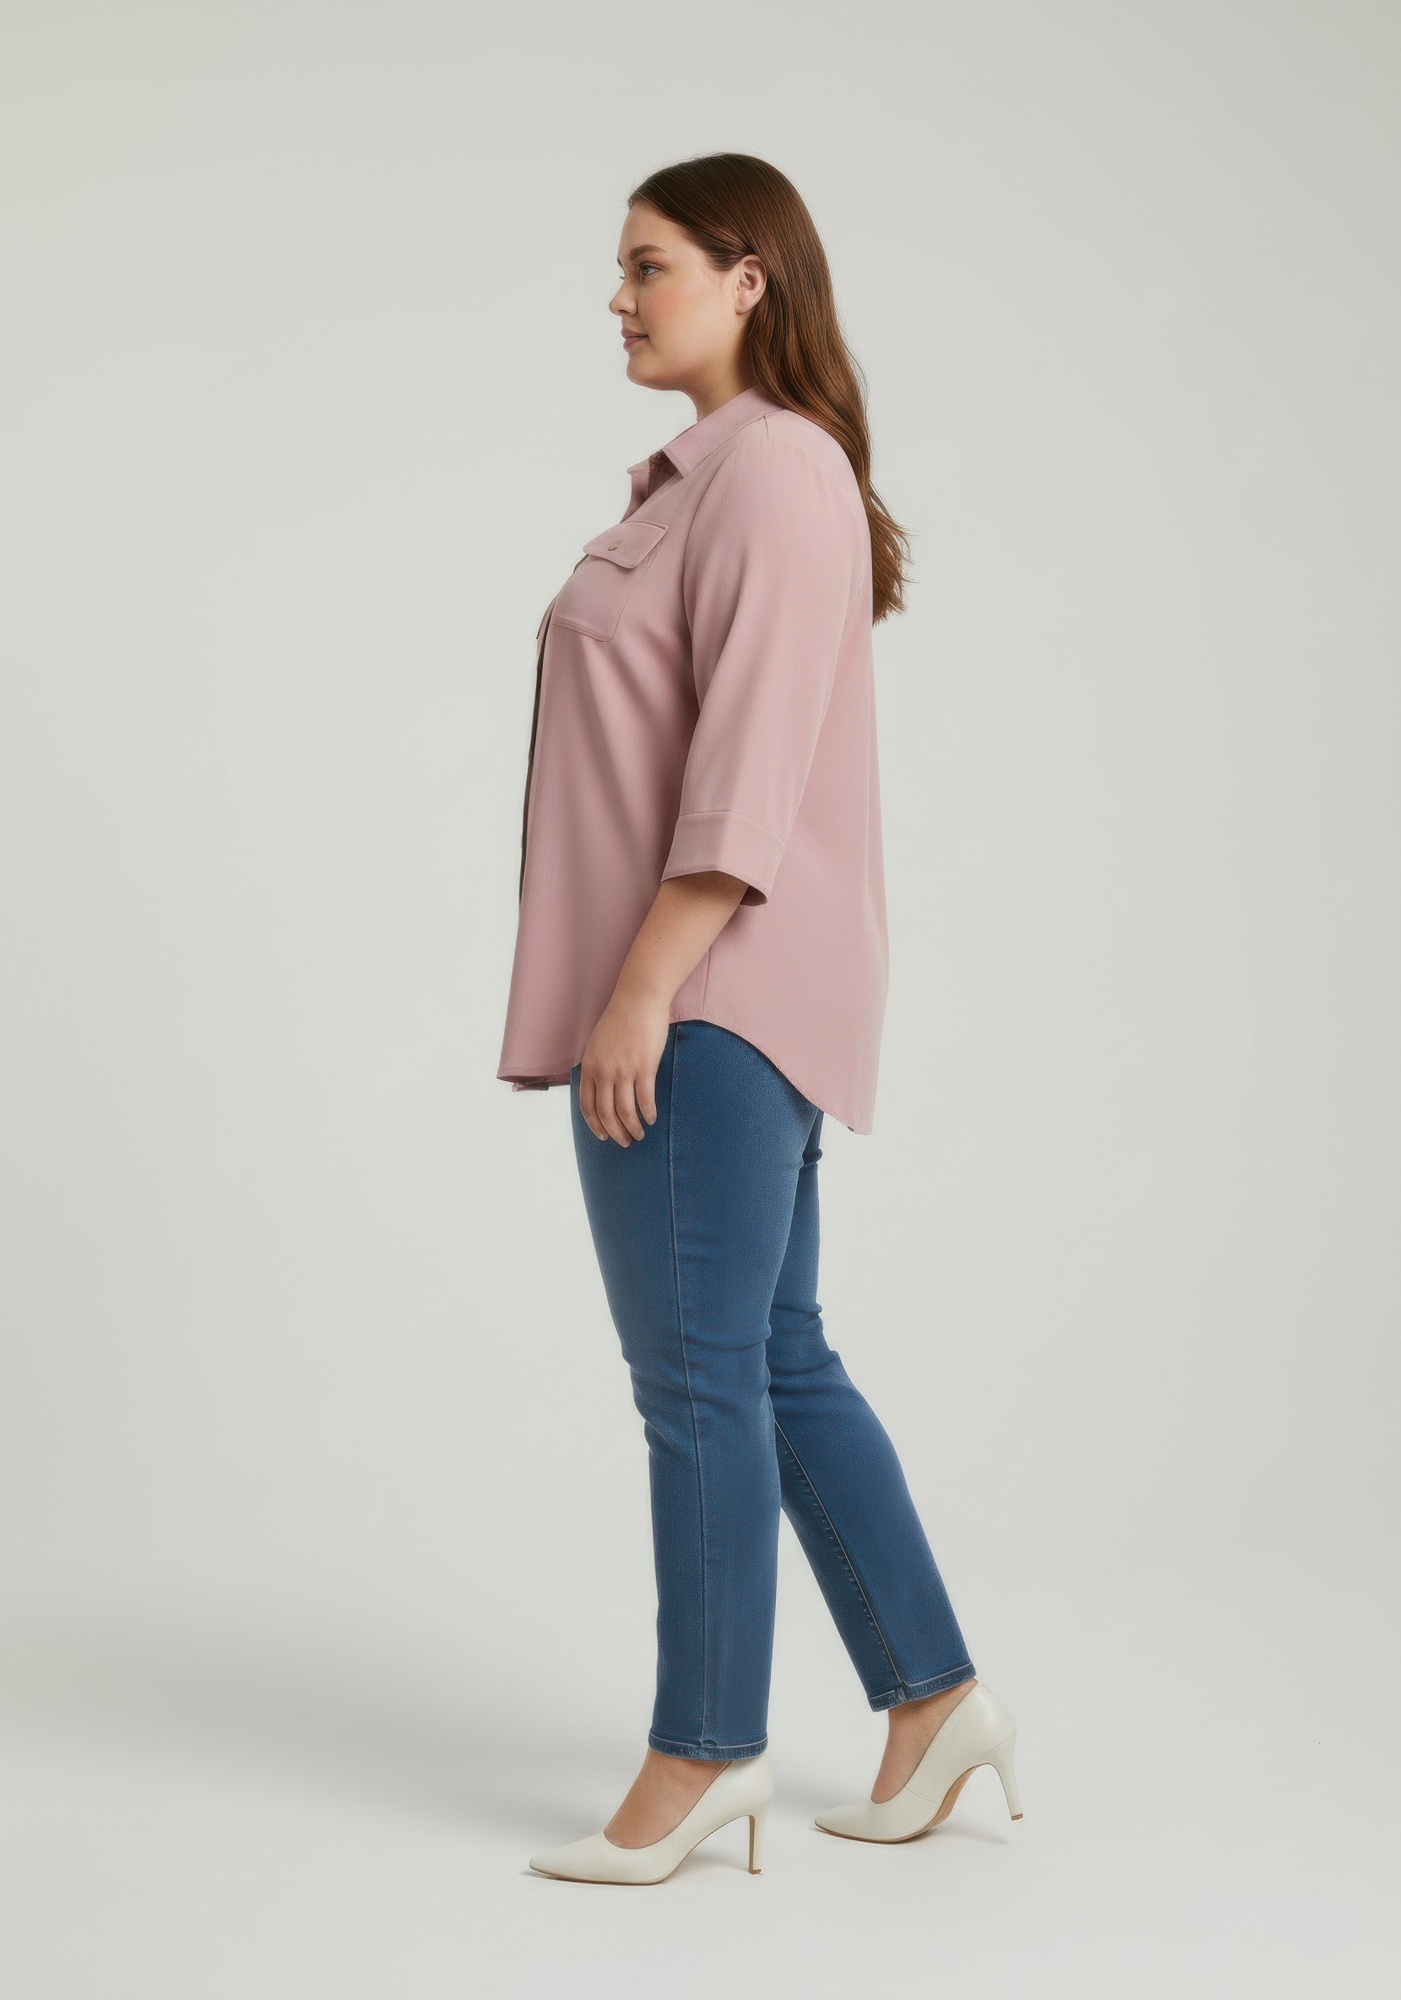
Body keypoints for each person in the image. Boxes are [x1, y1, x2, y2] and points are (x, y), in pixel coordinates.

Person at [497, 152, 1021, 1885]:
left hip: (705, 999)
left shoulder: (775, 469)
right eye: (621, 269)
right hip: (708, 993)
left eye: (650, 264)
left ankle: (705, 1752)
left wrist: (642, 990)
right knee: (772, 1360)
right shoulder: (706, 478)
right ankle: (937, 1701)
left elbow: (746, 775)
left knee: (697, 1382)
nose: (621, 297)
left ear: (750, 278)